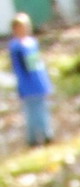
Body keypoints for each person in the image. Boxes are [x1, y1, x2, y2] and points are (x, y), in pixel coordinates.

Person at [8, 13, 54, 147]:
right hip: (27, 85)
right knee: (32, 112)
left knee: (42, 109)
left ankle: (46, 134)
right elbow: (19, 68)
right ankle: (33, 138)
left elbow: (37, 64)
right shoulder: (16, 47)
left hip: (39, 82)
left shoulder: (32, 43)